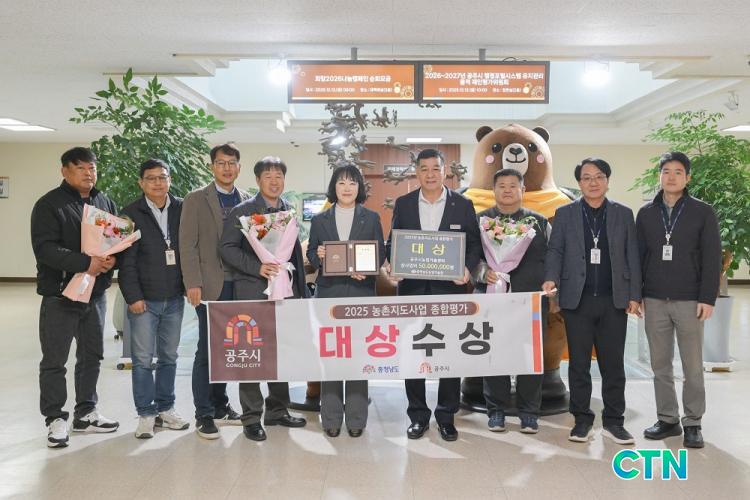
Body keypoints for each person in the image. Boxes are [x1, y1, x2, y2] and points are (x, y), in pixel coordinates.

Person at [542, 157, 641, 445]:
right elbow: (555, 250)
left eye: (598, 177)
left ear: (607, 180)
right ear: (579, 183)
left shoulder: (623, 213)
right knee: (579, 364)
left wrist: (634, 295)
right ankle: (582, 420)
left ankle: (614, 421)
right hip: (578, 300)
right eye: (586, 178)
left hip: (614, 300)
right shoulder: (565, 213)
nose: (593, 182)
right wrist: (551, 278)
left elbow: (632, 255)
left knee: (613, 365)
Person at [385, 148, 482, 442]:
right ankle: (417, 415)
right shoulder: (404, 204)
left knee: (449, 354)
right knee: (412, 353)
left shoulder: (462, 205)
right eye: (424, 169)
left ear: (444, 171)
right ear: (417, 172)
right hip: (412, 291)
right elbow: (393, 242)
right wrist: (392, 265)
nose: (430, 174)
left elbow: (474, 245)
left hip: (449, 291)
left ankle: (446, 416)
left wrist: (467, 269)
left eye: (435, 168)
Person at [31, 147, 119, 448]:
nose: (88, 173)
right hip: (60, 296)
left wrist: (111, 260)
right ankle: (55, 418)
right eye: (81, 168)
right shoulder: (49, 205)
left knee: (92, 355)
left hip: (95, 294)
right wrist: (85, 263)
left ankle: (86, 412)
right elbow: (45, 249)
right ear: (65, 171)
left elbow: (114, 241)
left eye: (92, 168)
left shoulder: (104, 202)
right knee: (55, 360)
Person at [219, 156, 309, 441]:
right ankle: (251, 417)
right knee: (252, 354)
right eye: (268, 176)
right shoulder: (242, 211)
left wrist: (301, 293)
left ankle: (277, 410)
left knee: (280, 352)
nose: (274, 181)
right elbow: (227, 249)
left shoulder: (288, 210)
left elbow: (294, 254)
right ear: (258, 180)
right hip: (252, 291)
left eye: (278, 176)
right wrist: (256, 267)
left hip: (284, 292)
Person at [636, 151, 721, 449]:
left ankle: (693, 422)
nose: (671, 177)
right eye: (666, 172)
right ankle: (668, 419)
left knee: (692, 365)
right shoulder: (646, 213)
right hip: (654, 299)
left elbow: (712, 257)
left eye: (678, 172)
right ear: (659, 176)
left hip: (690, 300)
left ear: (688, 177)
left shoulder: (702, 212)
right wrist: (637, 294)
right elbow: (638, 256)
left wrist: (707, 297)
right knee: (660, 364)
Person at [307, 164, 386, 438]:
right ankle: (330, 417)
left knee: (357, 357)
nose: (347, 188)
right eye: (341, 183)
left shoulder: (371, 218)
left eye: (352, 183)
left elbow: (380, 253)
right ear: (334, 187)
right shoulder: (320, 220)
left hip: (360, 294)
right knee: (331, 357)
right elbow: (312, 253)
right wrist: (318, 255)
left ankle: (356, 419)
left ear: (359, 187)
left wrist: (368, 269)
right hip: (329, 295)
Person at [179, 143, 246, 439]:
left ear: (239, 167)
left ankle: (220, 405)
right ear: (212, 167)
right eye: (221, 163)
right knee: (207, 349)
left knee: (228, 349)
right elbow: (187, 245)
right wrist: (192, 282)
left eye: (232, 163)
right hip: (209, 285)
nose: (227, 168)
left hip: (240, 285)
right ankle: (203, 413)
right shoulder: (196, 199)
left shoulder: (247, 199)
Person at [119, 159, 190, 439]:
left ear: (170, 180)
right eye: (151, 178)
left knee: (169, 357)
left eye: (162, 177)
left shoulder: (183, 208)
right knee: (142, 360)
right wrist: (133, 296)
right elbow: (126, 262)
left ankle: (166, 408)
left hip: (174, 297)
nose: (158, 183)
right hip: (144, 301)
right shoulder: (130, 213)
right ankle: (146, 414)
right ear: (141, 182)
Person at [475, 169, 549, 434]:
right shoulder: (481, 221)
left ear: (523, 190)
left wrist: (551, 285)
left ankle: (529, 412)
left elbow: (552, 258)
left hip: (530, 300)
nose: (507, 190)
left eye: (513, 185)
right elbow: (469, 256)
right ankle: (496, 410)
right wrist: (483, 272)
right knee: (494, 353)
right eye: (502, 185)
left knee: (530, 355)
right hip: (493, 298)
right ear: (493, 190)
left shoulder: (539, 222)